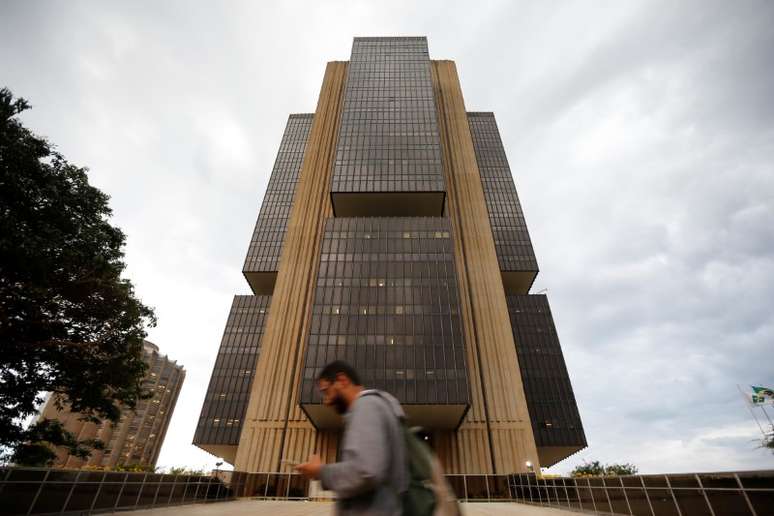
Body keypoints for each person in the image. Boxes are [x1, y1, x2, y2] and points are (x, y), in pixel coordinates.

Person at [296, 360, 408, 515]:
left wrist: (320, 471)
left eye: (327, 391)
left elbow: (365, 471)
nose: (326, 401)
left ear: (342, 380)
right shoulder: (377, 406)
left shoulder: (366, 406)